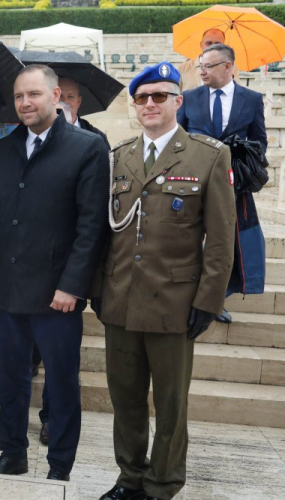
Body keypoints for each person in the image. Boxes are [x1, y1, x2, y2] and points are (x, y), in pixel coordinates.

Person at [96, 62, 235, 500]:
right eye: (143, 98)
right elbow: (104, 234)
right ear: (135, 106)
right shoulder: (118, 157)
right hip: (120, 300)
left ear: (179, 100)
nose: (151, 104)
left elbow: (220, 238)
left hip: (175, 303)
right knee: (126, 400)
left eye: (160, 96)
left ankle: (162, 484)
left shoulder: (208, 155)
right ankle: (129, 478)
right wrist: (97, 291)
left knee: (171, 407)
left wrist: (208, 300)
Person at [0, 65, 109, 481]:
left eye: (33, 94)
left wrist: (72, 286)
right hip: (8, 289)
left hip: (57, 295)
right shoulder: (5, 149)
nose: (25, 103)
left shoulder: (87, 148)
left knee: (62, 384)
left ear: (56, 97)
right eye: (19, 97)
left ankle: (60, 465)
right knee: (11, 379)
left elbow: (91, 227)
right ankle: (12, 453)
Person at [177, 43, 267, 324]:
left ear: (228, 67)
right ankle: (183, 295)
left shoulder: (251, 99)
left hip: (232, 186)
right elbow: (176, 138)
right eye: (200, 65)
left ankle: (215, 300)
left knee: (224, 244)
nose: (201, 71)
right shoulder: (188, 98)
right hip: (190, 183)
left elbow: (260, 142)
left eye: (208, 66)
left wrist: (242, 150)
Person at [58, 77, 110, 148]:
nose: (66, 101)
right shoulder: (42, 131)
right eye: (60, 96)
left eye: (70, 97)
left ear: (79, 101)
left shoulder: (98, 138)